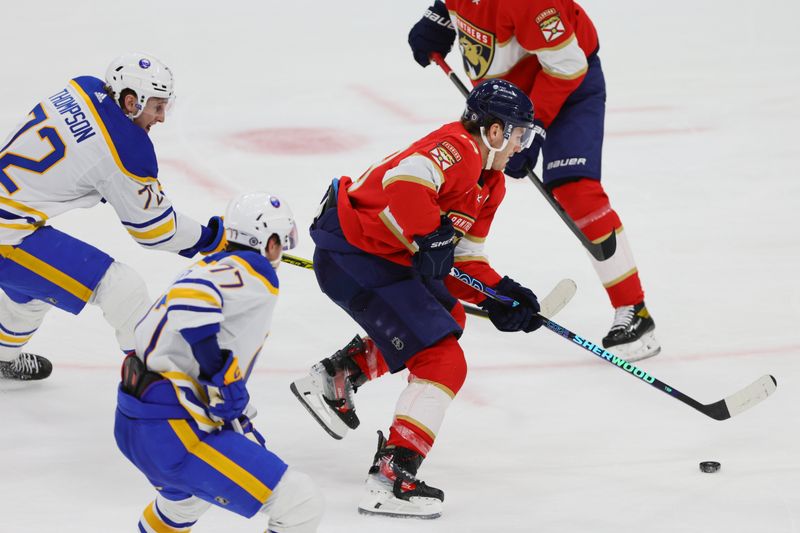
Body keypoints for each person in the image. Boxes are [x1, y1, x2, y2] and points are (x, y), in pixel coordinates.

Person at [291, 80, 543, 519]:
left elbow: (461, 261)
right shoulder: (459, 147)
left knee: (450, 313)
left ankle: (336, 376)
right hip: (355, 252)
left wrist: (502, 295)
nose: (522, 145)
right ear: (495, 131)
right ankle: (391, 477)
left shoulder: (491, 183)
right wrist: (429, 233)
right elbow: (403, 180)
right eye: (519, 133)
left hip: (376, 256)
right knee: (443, 360)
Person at [407, 0, 660, 361]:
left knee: (577, 192)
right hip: (502, 100)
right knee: (462, 178)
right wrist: (439, 17)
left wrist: (534, 127)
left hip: (568, 87)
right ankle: (444, 275)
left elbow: (568, 65)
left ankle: (635, 311)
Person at [0, 52, 226, 381]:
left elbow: (82, 153)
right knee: (122, 289)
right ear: (131, 102)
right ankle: (154, 386)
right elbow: (156, 230)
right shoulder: (127, 148)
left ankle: (2, 356)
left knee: (33, 289)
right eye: (157, 107)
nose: (161, 117)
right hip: (7, 236)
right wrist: (211, 239)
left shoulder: (83, 87)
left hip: (12, 221)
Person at [114, 192, 324, 533]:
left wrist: (236, 412)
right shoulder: (251, 271)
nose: (281, 252)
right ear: (269, 242)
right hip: (172, 429)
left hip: (140, 419)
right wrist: (218, 372)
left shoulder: (216, 264)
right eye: (281, 242)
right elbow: (190, 299)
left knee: (184, 505)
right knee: (300, 502)